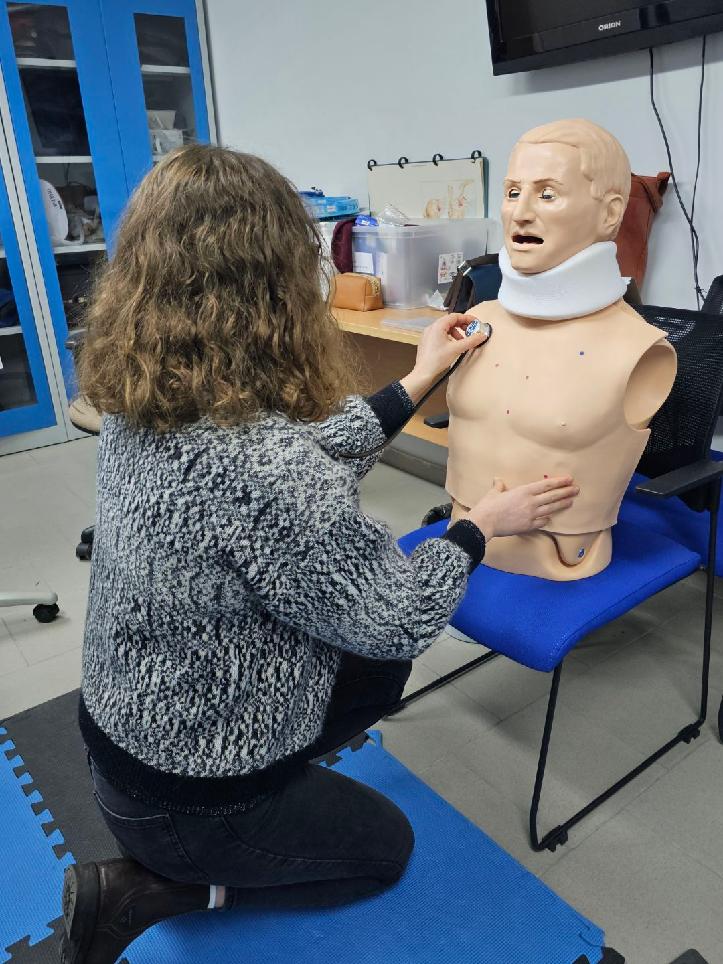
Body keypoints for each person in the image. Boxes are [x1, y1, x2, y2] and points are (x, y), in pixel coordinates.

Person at [62, 145, 578, 964]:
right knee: (383, 850)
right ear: (276, 284)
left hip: (124, 743)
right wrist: (479, 528)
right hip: (184, 801)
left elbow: (302, 452)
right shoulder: (264, 469)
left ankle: (254, 799)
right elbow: (400, 615)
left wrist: (417, 378)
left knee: (372, 673)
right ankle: (155, 890)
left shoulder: (143, 399)